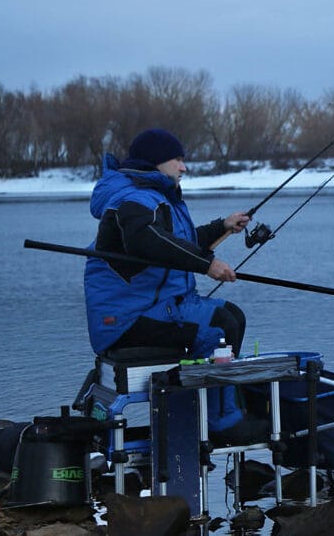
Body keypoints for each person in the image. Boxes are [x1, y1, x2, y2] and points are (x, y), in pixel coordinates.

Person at [83, 128, 267, 445]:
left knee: (233, 316)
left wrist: (222, 226)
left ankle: (219, 409)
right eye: (177, 159)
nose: (183, 167)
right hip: (125, 319)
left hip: (156, 305)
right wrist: (207, 264)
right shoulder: (133, 199)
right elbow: (149, 241)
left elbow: (178, 242)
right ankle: (220, 423)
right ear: (155, 161)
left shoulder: (154, 197)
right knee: (219, 328)